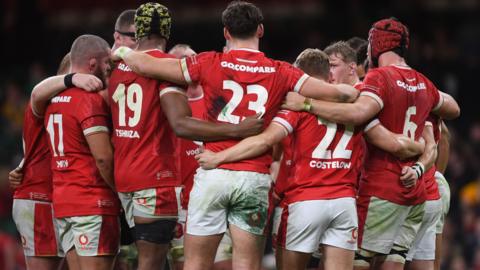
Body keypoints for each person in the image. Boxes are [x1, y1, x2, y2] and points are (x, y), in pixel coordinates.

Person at [112, 2, 359, 269]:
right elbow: (344, 94)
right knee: (246, 264)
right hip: (253, 178)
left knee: (195, 263)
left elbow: (146, 65)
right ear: (261, 30)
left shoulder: (208, 62)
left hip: (213, 174)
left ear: (226, 32)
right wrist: (325, 99)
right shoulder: (282, 71)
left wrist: (122, 50)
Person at [196, 48, 424, 270]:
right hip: (344, 204)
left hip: (305, 201)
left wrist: (218, 157)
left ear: (301, 77)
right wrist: (421, 145)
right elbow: (392, 142)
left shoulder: (296, 107)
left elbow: (264, 141)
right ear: (328, 75)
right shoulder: (353, 109)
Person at [281, 17, 460, 270]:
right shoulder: (424, 83)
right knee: (396, 262)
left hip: (382, 188)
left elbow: (358, 115)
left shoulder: (378, 79)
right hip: (420, 191)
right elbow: (452, 111)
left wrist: (306, 104)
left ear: (376, 45)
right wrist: (421, 154)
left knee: (355, 263)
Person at [108, 4, 262, 270]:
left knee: (138, 260)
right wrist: (236, 130)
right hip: (155, 176)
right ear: (168, 30)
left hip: (124, 177)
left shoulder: (118, 67)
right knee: (151, 262)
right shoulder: (167, 66)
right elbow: (180, 124)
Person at [9, 54, 102, 270]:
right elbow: (36, 92)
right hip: (40, 196)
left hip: (61, 198)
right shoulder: (46, 99)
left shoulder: (77, 103)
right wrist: (71, 79)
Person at [38, 34, 120, 270]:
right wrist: (122, 193)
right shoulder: (89, 100)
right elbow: (103, 158)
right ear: (93, 64)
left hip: (64, 203)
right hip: (93, 203)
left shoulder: (52, 98)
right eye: (106, 64)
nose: (108, 70)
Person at [168, 44, 233, 270]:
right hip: (182, 202)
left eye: (192, 58)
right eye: (181, 61)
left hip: (217, 197)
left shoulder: (218, 99)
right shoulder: (169, 107)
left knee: (224, 264)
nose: (189, 65)